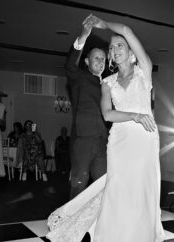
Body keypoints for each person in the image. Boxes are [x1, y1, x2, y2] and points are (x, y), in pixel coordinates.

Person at [47, 15, 164, 242]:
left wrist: (102, 24)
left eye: (119, 46)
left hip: (145, 142)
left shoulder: (144, 70)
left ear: (132, 53)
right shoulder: (107, 83)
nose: (114, 49)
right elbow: (108, 114)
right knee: (115, 199)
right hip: (120, 141)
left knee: (141, 199)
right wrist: (134, 116)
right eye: (112, 48)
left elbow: (126, 29)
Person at [66, 14, 108, 200]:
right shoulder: (80, 79)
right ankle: (67, 227)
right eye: (96, 58)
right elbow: (70, 67)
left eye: (103, 59)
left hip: (103, 144)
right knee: (79, 186)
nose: (100, 62)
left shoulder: (108, 85)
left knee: (103, 187)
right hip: (82, 141)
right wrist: (83, 36)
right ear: (87, 61)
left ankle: (98, 226)